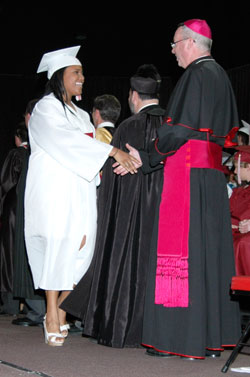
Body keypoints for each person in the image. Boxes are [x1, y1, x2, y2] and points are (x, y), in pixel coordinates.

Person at [123, 19, 241, 359]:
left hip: (187, 177)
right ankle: (210, 340)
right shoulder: (221, 76)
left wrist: (148, 157)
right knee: (209, 257)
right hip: (212, 179)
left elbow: (177, 133)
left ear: (190, 42)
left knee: (183, 256)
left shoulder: (196, 75)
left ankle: (179, 341)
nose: (173, 51)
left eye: (175, 44)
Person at [24, 45, 139, 347]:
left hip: (81, 189)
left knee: (84, 254)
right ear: (59, 76)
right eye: (76, 73)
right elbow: (65, 141)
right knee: (57, 247)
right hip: (54, 190)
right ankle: (52, 313)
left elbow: (86, 148)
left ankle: (63, 306)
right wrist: (111, 149)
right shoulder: (46, 108)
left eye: (83, 73)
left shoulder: (81, 114)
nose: (82, 78)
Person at [61, 64, 165, 348]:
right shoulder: (172, 126)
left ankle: (122, 325)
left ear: (133, 95)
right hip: (164, 214)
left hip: (129, 218)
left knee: (127, 264)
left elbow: (112, 186)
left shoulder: (128, 127)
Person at [11, 99, 46, 328]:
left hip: (34, 206)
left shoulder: (37, 145)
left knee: (32, 254)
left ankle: (37, 312)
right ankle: (41, 310)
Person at [0, 123, 29, 315]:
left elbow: (5, 182)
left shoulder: (16, 154)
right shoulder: (36, 153)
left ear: (18, 138)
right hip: (32, 208)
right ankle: (28, 303)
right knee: (26, 255)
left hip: (14, 209)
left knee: (8, 255)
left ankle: (9, 303)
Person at [230, 145, 250, 276]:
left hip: (242, 238)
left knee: (242, 243)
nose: (235, 172)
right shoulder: (239, 191)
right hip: (234, 233)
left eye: (238, 167)